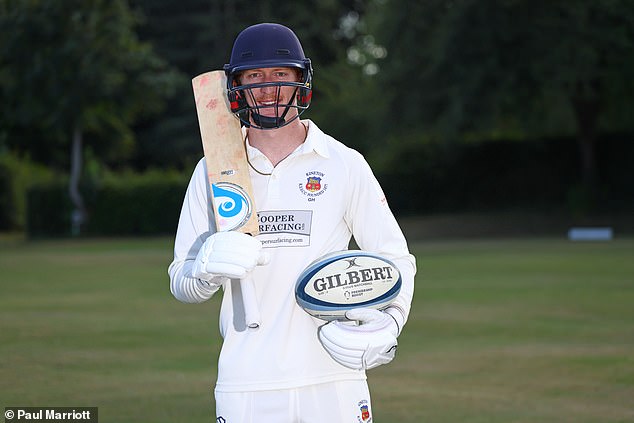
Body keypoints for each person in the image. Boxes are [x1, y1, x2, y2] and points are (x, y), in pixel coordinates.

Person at [168, 22, 416, 422]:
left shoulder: (344, 163)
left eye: (280, 75)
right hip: (246, 380)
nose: (268, 89)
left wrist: (390, 323)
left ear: (301, 81)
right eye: (255, 77)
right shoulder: (212, 172)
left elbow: (395, 258)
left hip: (334, 374)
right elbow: (182, 281)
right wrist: (205, 268)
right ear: (236, 87)